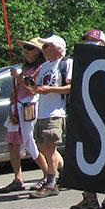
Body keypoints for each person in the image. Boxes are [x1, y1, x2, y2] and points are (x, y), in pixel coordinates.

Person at [70, 31, 105, 209]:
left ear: (102, 44)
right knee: (86, 155)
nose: (89, 44)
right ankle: (89, 197)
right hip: (85, 116)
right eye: (87, 41)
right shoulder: (82, 62)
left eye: (93, 41)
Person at [0, 38, 47, 192]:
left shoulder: (41, 68)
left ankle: (48, 175)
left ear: (38, 52)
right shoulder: (25, 68)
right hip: (17, 106)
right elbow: (16, 91)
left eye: (29, 48)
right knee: (12, 143)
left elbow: (34, 90)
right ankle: (18, 179)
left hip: (29, 106)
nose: (25, 50)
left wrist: (18, 77)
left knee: (29, 142)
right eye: (25, 47)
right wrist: (10, 108)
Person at [27, 36, 72, 198]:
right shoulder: (45, 66)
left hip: (56, 112)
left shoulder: (66, 64)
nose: (44, 49)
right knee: (43, 147)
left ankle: (51, 183)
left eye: (47, 46)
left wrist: (50, 90)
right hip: (43, 111)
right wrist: (27, 82)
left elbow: (71, 86)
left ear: (58, 47)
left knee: (50, 148)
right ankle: (65, 174)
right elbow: (35, 89)